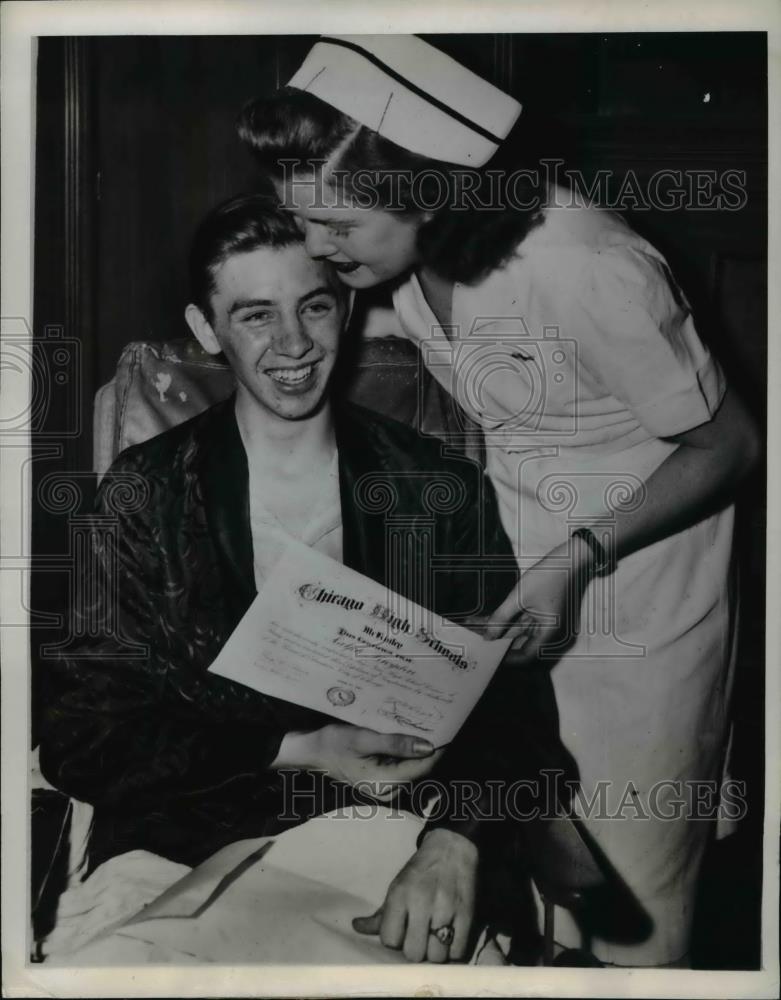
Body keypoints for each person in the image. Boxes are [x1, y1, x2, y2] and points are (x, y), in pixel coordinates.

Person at [237, 34, 761, 967]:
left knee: (627, 889)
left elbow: (730, 445)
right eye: (302, 220)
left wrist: (573, 558)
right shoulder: (406, 252)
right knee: (528, 861)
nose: (317, 248)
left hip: (635, 585)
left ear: (429, 191)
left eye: (339, 228)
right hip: (519, 567)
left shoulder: (590, 265)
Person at [38, 192, 573, 965]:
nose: (293, 344)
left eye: (313, 306)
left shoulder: (431, 486)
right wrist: (296, 748)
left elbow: (512, 712)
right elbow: (83, 737)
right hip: (183, 850)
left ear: (347, 309)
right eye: (255, 315)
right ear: (206, 330)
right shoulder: (141, 494)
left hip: (392, 841)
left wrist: (456, 840)